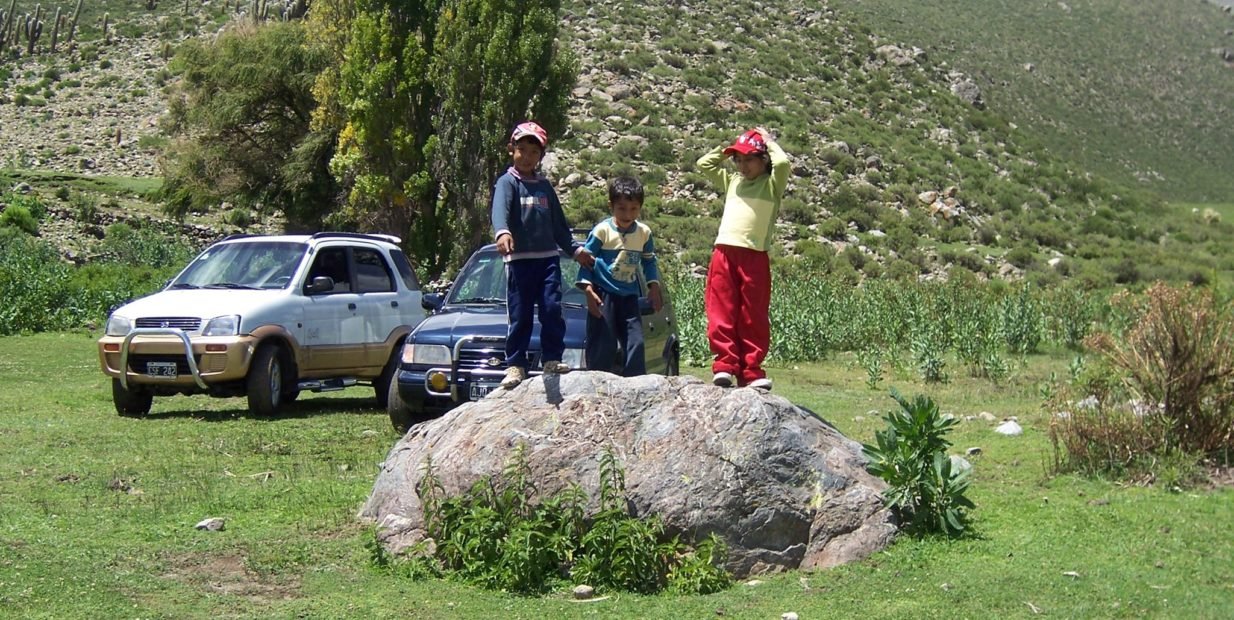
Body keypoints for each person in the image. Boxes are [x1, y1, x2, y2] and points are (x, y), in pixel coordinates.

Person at [491, 121, 594, 389]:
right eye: (521, 149)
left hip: (547, 259)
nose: (526, 157)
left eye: (533, 152)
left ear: (541, 156)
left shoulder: (544, 187)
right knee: (520, 313)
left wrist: (576, 250)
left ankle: (551, 358)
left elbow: (559, 226)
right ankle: (515, 364)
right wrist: (502, 232)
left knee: (550, 308)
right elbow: (499, 210)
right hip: (520, 262)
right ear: (511, 149)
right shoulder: (507, 183)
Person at [696, 126, 790, 390]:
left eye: (750, 159)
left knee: (753, 314)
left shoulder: (772, 186)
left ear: (763, 160)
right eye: (739, 159)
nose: (743, 165)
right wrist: (728, 150)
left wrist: (769, 141)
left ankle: (751, 371)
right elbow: (704, 164)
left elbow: (782, 162)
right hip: (724, 252)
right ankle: (725, 364)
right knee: (721, 309)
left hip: (754, 256)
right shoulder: (733, 182)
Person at [577, 176, 663, 377]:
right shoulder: (602, 231)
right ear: (611, 206)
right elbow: (586, 260)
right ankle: (597, 382)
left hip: (629, 296)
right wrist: (588, 291)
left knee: (635, 341)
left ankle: (635, 382)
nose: (627, 214)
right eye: (622, 208)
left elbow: (649, 261)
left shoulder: (643, 233)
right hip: (604, 294)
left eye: (634, 209)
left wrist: (654, 287)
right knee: (603, 343)